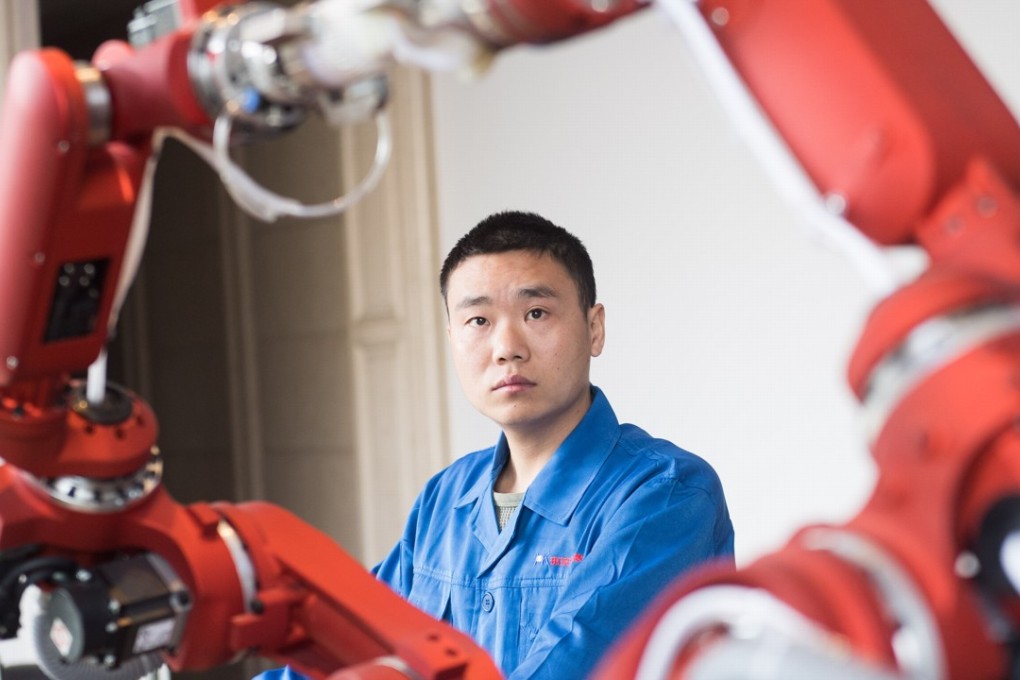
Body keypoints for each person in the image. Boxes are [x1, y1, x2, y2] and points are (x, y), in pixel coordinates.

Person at [255, 210, 734, 680]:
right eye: (478, 321)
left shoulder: (665, 494)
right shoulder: (444, 500)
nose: (506, 346)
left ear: (594, 329)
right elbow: (353, 642)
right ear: (452, 338)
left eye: (536, 312)